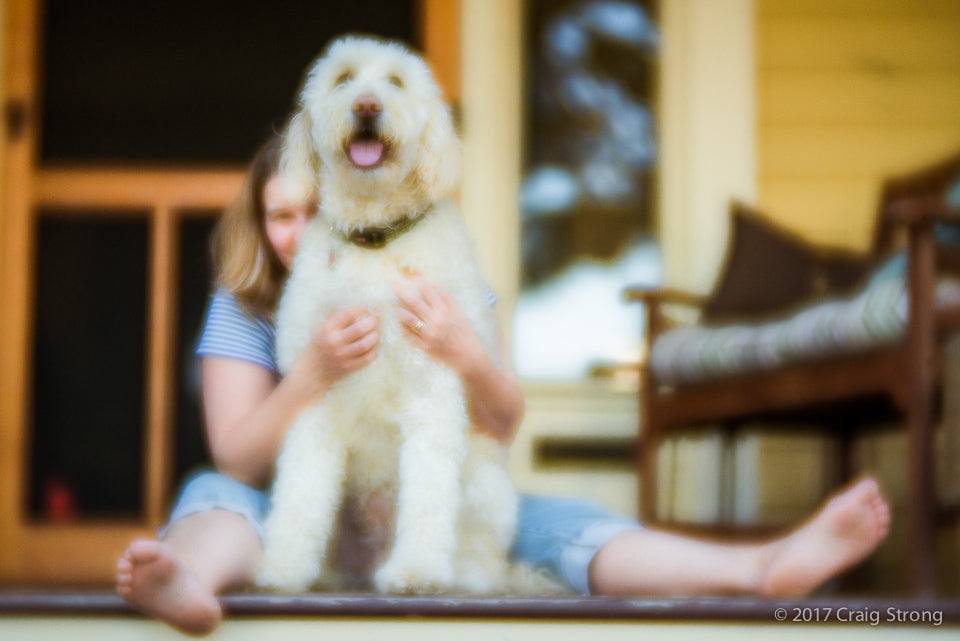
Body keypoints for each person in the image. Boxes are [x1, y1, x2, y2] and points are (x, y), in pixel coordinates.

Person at [116, 136, 892, 636]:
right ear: (260, 223)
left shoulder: (437, 274)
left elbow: (503, 420)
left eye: (316, 209)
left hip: (430, 517)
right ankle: (189, 579)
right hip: (297, 521)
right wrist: (312, 371)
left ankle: (759, 568)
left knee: (547, 520)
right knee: (213, 497)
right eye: (279, 216)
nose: (299, 232)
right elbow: (239, 457)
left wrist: (464, 349)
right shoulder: (245, 298)